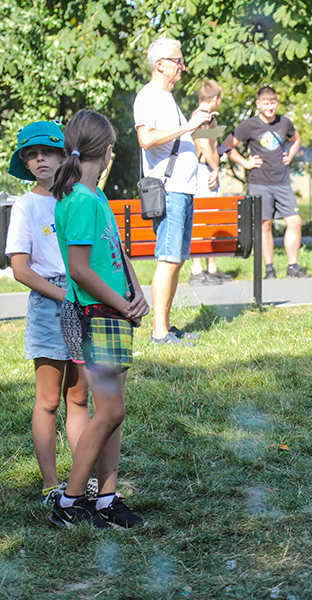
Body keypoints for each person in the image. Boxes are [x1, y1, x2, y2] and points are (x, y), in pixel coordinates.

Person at [50, 109, 150, 528]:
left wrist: (136, 288)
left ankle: (107, 499)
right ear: (106, 149)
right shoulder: (80, 201)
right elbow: (79, 269)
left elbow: (116, 252)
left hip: (111, 312)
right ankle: (71, 501)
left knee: (114, 410)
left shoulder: (97, 198)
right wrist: (122, 303)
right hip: (94, 314)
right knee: (108, 412)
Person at [5, 121, 93, 506]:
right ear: (26, 163)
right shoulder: (26, 205)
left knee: (78, 398)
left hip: (84, 298)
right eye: (31, 154)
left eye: (47, 152)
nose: (39, 159)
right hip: (50, 302)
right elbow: (20, 269)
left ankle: (79, 480)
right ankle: (50, 484)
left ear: (63, 157)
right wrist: (63, 295)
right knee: (49, 401)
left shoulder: (79, 197)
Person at [134, 38, 211, 346]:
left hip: (183, 189)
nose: (184, 66)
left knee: (176, 259)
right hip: (169, 190)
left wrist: (198, 126)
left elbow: (174, 138)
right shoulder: (149, 97)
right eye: (178, 61)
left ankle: (166, 326)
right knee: (167, 259)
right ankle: (159, 332)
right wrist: (188, 125)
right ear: (160, 64)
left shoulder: (167, 99)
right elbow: (146, 139)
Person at [225, 86, 305, 280]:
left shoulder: (284, 122)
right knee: (265, 224)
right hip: (259, 181)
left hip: (282, 181)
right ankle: (269, 269)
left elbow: (296, 139)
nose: (270, 107)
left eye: (273, 103)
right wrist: (245, 163)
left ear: (277, 103)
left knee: (295, 221)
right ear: (258, 104)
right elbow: (226, 145)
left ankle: (292, 266)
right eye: (266, 103)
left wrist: (290, 156)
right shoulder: (248, 126)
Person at [188, 80, 232, 286]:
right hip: (202, 170)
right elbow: (204, 146)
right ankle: (197, 271)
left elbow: (212, 144)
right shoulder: (200, 117)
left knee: (211, 220)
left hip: (207, 169)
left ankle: (211, 268)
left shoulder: (207, 118)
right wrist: (215, 169)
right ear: (215, 99)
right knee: (201, 221)